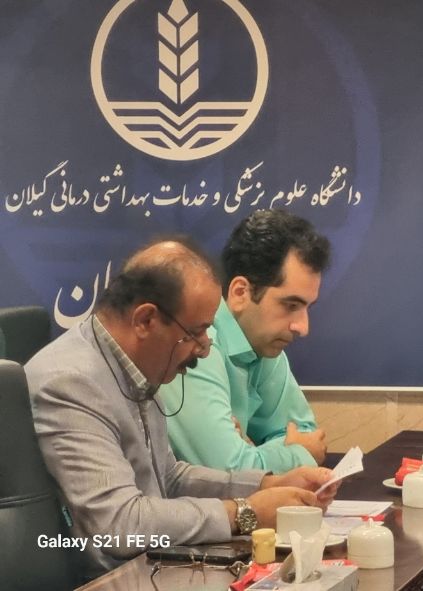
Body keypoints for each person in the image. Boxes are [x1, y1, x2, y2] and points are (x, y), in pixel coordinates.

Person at [25, 238, 337, 575]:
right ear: (146, 320)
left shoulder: (136, 363)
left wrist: (266, 486)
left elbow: (168, 478)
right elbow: (120, 525)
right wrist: (245, 512)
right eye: (197, 332)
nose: (205, 348)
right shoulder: (71, 382)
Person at [157, 210, 329, 472]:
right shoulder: (196, 345)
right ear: (240, 293)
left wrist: (251, 452)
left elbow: (307, 432)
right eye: (290, 305)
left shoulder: (264, 345)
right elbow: (226, 471)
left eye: (307, 307)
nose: (303, 327)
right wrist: (297, 453)